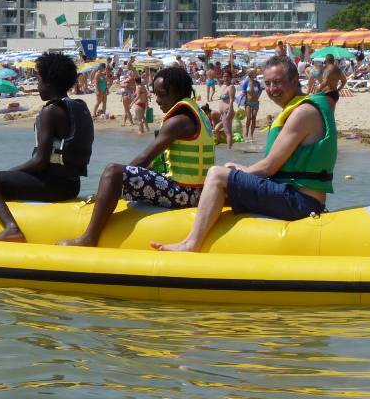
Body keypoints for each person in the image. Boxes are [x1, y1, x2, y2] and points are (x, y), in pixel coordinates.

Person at [152, 55, 336, 252]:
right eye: (267, 83)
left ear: (295, 80)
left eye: (277, 82)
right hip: (293, 195)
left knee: (216, 174)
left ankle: (191, 244)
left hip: (301, 202)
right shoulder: (301, 108)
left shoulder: (303, 112)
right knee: (229, 167)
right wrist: (235, 171)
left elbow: (268, 168)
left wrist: (231, 175)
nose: (272, 89)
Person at [60, 66, 214, 248]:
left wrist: (118, 180)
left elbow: (144, 159)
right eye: (155, 94)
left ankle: (89, 238)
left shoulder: (177, 121)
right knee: (129, 176)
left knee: (113, 171)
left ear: (178, 91)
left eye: (163, 94)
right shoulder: (197, 114)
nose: (158, 100)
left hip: (184, 195)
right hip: (198, 193)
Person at [0, 51, 94, 242]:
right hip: (72, 185)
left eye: (39, 80)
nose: (38, 85)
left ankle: (11, 228)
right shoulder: (80, 106)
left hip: (52, 186)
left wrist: (6, 174)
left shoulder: (50, 111)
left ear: (48, 83)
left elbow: (39, 162)